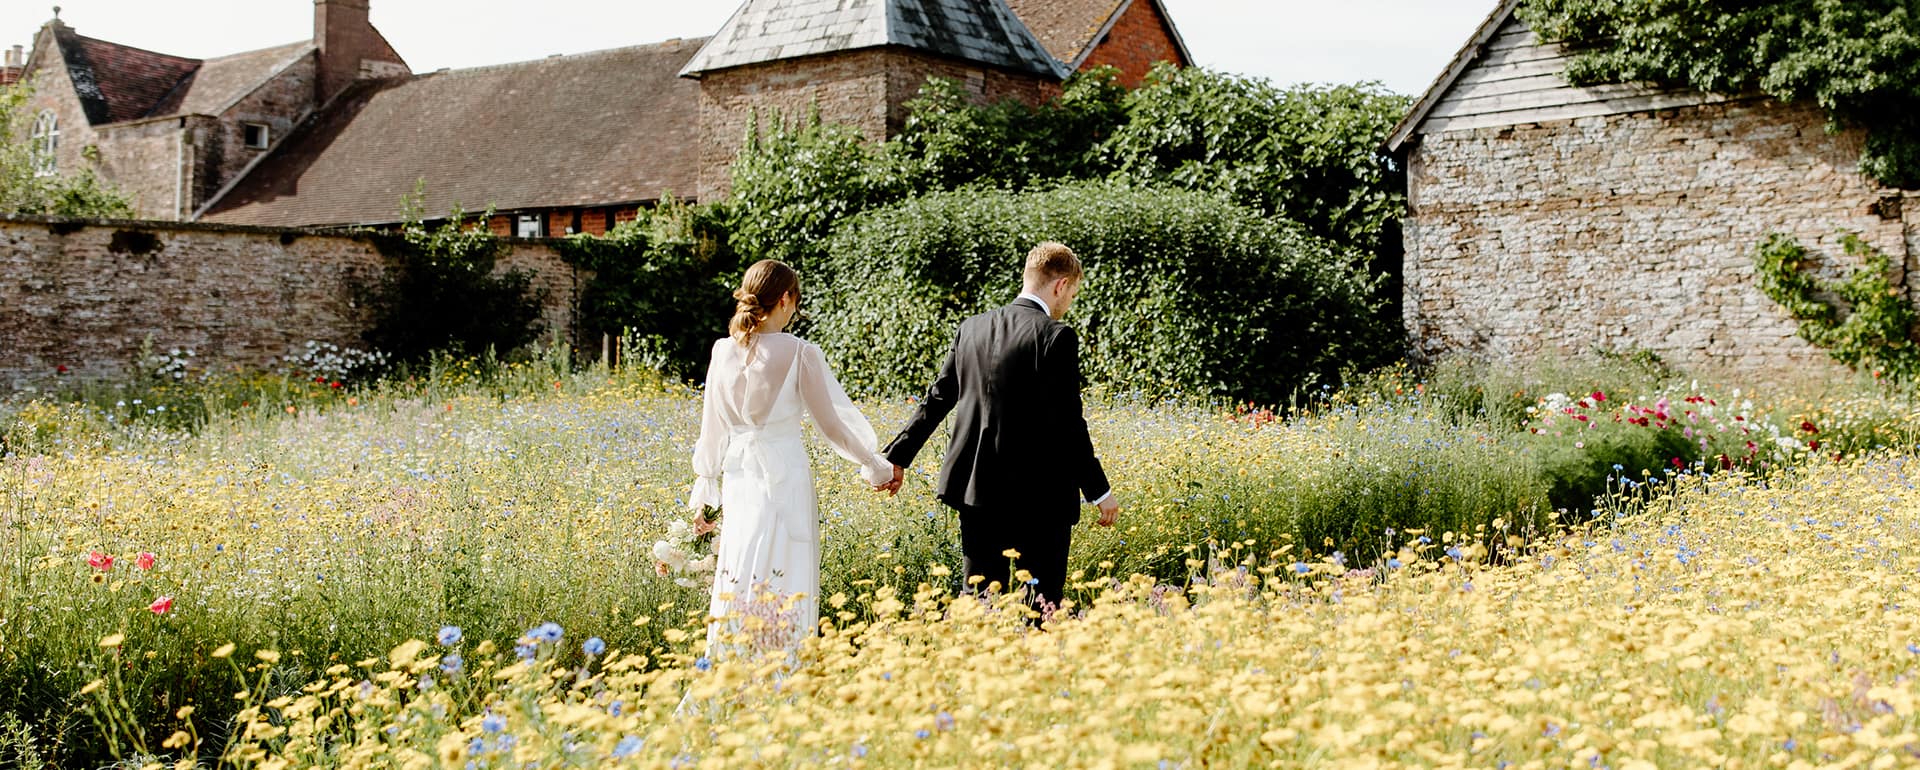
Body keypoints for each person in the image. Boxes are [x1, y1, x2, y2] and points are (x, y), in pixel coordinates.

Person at [880, 242, 1120, 613]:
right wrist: (1099, 490)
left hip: (976, 488)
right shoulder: (1055, 336)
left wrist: (897, 458)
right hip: (1040, 498)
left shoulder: (971, 328)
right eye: (1072, 293)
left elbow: (937, 400)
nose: (1068, 302)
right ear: (1060, 285)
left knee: (980, 604)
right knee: (1040, 607)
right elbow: (1069, 423)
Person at [687, 259, 898, 658]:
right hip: (784, 478)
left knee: (740, 568)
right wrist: (874, 465)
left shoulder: (721, 351)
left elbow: (711, 431)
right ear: (785, 299)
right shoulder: (800, 352)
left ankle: (732, 665)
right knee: (784, 569)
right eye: (795, 303)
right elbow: (832, 426)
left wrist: (705, 489)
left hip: (738, 480)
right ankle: (780, 670)